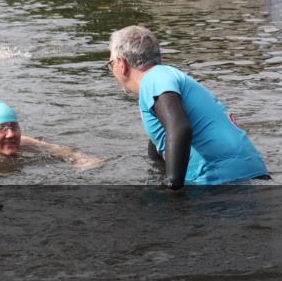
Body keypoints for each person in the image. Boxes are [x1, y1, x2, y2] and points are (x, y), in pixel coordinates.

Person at [107, 25, 268, 188]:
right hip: (251, 173)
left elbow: (179, 128)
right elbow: (159, 146)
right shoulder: (164, 79)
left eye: (110, 63)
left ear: (122, 64)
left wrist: (172, 188)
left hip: (219, 179)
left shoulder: (154, 79)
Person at [0, 102, 104, 174]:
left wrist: (82, 159)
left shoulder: (25, 143)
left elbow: (63, 151)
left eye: (14, 127)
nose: (11, 134)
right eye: (2, 128)